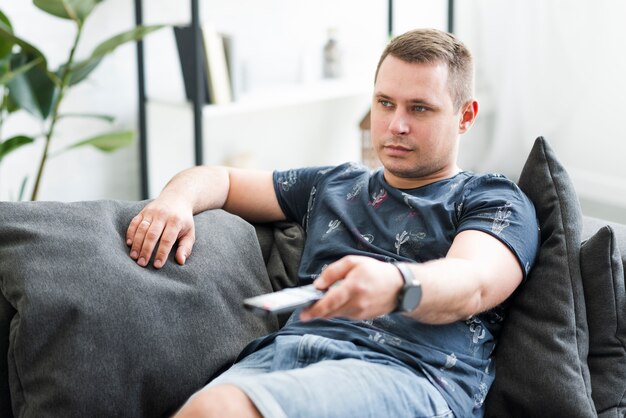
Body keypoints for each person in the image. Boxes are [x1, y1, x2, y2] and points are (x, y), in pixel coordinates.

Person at [126, 28, 539, 418]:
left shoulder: (491, 197)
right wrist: (175, 200)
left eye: (420, 108)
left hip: (409, 374)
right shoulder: (334, 183)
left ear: (465, 116)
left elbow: (473, 283)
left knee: (219, 411)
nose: (396, 124)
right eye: (384, 103)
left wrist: (397, 287)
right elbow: (223, 179)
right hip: (281, 357)